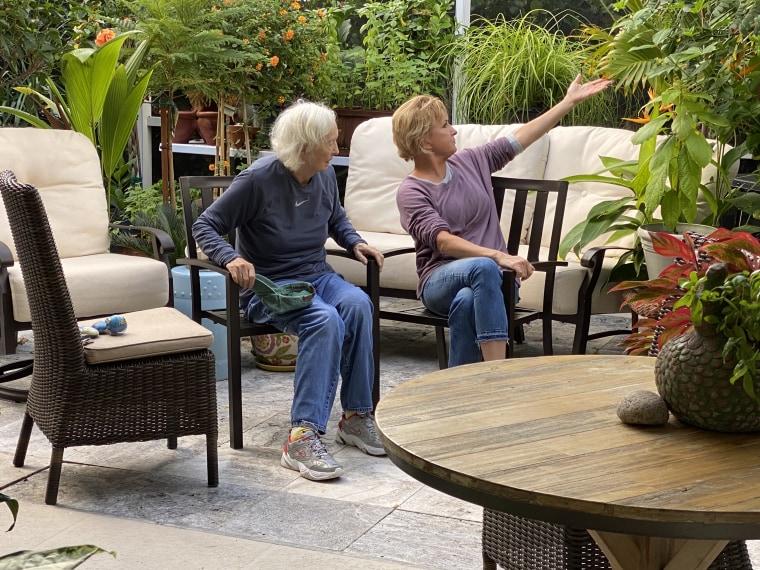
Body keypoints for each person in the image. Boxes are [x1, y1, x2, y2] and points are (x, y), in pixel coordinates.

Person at [193, 100, 385, 481]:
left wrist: (354, 242)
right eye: (329, 142)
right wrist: (231, 258)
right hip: (270, 287)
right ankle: (302, 435)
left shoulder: (324, 174)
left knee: (358, 304)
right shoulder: (258, 179)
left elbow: (336, 219)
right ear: (305, 145)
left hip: (316, 273)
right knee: (323, 319)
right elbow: (205, 226)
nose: (336, 149)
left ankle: (356, 416)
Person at [392, 74, 612, 367]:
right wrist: (499, 255)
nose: (454, 130)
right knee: (483, 267)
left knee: (467, 302)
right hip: (439, 281)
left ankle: (457, 386)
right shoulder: (411, 191)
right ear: (425, 142)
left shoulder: (471, 161)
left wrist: (567, 102)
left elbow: (521, 138)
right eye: (445, 125)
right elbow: (442, 241)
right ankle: (499, 371)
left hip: (495, 283)